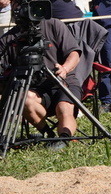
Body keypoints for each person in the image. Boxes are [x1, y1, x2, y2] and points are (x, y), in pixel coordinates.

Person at [1, 10, 82, 148]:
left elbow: (74, 53)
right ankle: (49, 137)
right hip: (33, 87)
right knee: (23, 97)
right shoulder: (9, 38)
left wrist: (65, 69)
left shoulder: (54, 24)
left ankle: (64, 139)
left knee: (64, 107)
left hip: (62, 80)